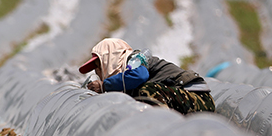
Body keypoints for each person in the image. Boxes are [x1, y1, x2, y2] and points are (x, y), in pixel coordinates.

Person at [79, 38, 215, 114]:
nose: (97, 72)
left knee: (145, 91)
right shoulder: (125, 76)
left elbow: (140, 76)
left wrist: (105, 85)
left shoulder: (134, 60)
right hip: (185, 100)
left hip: (198, 99)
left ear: (110, 57)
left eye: (98, 65)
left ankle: (162, 129)